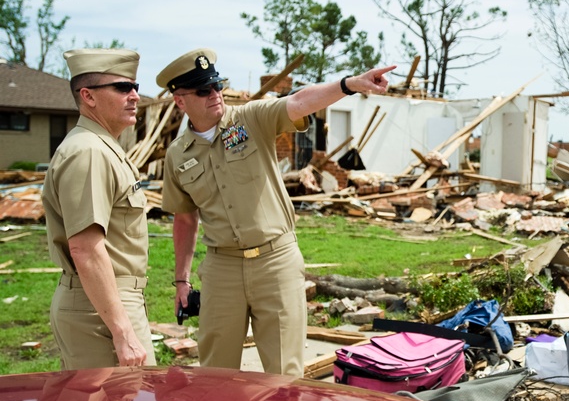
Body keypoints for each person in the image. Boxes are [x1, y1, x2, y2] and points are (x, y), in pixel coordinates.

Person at [157, 48, 394, 377]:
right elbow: (184, 218)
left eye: (217, 86)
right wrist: (182, 281)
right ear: (180, 101)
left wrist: (350, 84)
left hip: (275, 261)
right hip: (222, 268)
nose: (214, 95)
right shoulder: (177, 155)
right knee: (214, 376)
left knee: (285, 376)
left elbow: (298, 102)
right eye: (203, 91)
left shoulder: (249, 119)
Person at [43, 48, 155, 369]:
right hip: (101, 309)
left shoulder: (102, 146)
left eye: (135, 87)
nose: (134, 96)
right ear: (88, 96)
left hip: (105, 302)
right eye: (122, 88)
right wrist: (122, 331)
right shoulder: (89, 152)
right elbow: (86, 249)